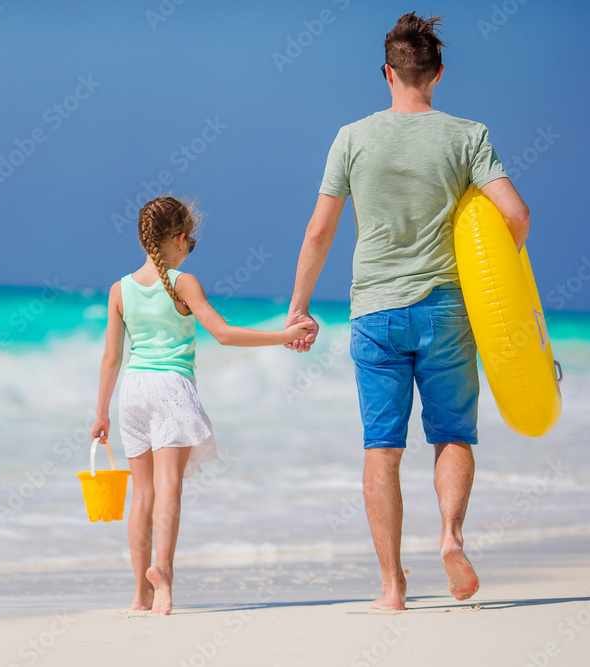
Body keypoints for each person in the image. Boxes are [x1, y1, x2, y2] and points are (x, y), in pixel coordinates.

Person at [284, 12, 530, 611]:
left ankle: (393, 587)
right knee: (451, 434)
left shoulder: (352, 137)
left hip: (376, 312)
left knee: (382, 447)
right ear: (438, 74)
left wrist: (298, 307)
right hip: (448, 307)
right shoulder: (468, 135)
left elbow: (319, 232)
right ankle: (450, 535)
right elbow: (516, 216)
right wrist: (505, 288)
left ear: (387, 72)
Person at [91, 195, 311, 615]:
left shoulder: (120, 290)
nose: (191, 245)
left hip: (132, 392)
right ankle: (165, 579)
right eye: (190, 238)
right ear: (177, 239)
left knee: (142, 495)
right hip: (170, 386)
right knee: (170, 487)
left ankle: (140, 595)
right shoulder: (182, 282)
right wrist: (285, 336)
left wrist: (100, 412)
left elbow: (111, 357)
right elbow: (224, 334)